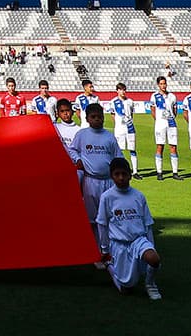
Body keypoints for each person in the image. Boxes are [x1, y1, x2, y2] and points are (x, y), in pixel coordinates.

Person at [97, 157, 162, 301]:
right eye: (117, 174)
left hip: (138, 240)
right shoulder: (107, 197)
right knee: (126, 289)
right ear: (111, 176)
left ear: (130, 174)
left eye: (124, 174)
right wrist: (105, 249)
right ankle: (110, 265)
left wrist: (151, 245)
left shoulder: (138, 196)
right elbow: (102, 224)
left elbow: (147, 223)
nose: (121, 178)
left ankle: (150, 285)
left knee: (154, 259)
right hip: (119, 244)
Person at [70, 102, 123, 265]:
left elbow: (118, 156)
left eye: (100, 117)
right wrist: (78, 160)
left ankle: (110, 249)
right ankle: (96, 252)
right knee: (92, 218)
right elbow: (72, 149)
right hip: (90, 182)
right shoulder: (82, 134)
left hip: (108, 183)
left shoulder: (109, 136)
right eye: (93, 117)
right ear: (87, 118)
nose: (97, 120)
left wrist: (122, 172)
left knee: (109, 217)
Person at [150, 76, 180, 180]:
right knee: (160, 147)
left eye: (164, 83)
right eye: (161, 84)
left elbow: (175, 111)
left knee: (173, 147)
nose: (163, 85)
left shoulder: (172, 96)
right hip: (160, 125)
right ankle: (159, 172)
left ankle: (175, 172)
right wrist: (159, 120)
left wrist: (170, 117)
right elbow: (153, 111)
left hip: (171, 124)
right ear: (158, 85)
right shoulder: (154, 96)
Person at [107, 83, 139, 178]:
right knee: (119, 150)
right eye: (121, 90)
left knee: (132, 149)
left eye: (124, 89)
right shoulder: (113, 102)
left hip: (130, 129)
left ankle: (135, 171)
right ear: (117, 91)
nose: (123, 91)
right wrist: (118, 123)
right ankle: (119, 170)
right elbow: (112, 115)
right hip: (119, 129)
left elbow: (132, 114)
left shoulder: (130, 101)